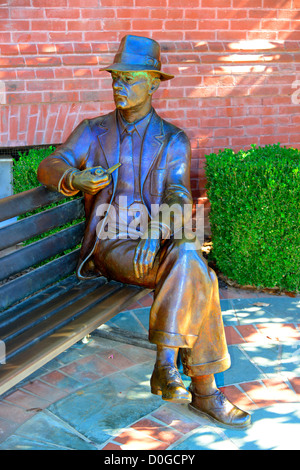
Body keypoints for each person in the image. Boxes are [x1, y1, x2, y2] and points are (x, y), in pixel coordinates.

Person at [37, 35, 251, 429]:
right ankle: (199, 388)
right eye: (115, 78)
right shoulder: (93, 130)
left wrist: (155, 229)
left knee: (192, 262)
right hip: (112, 245)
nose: (119, 86)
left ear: (154, 83)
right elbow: (50, 165)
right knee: (197, 270)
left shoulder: (172, 139)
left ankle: (169, 365)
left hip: (155, 245)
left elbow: (178, 193)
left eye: (130, 79)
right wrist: (75, 177)